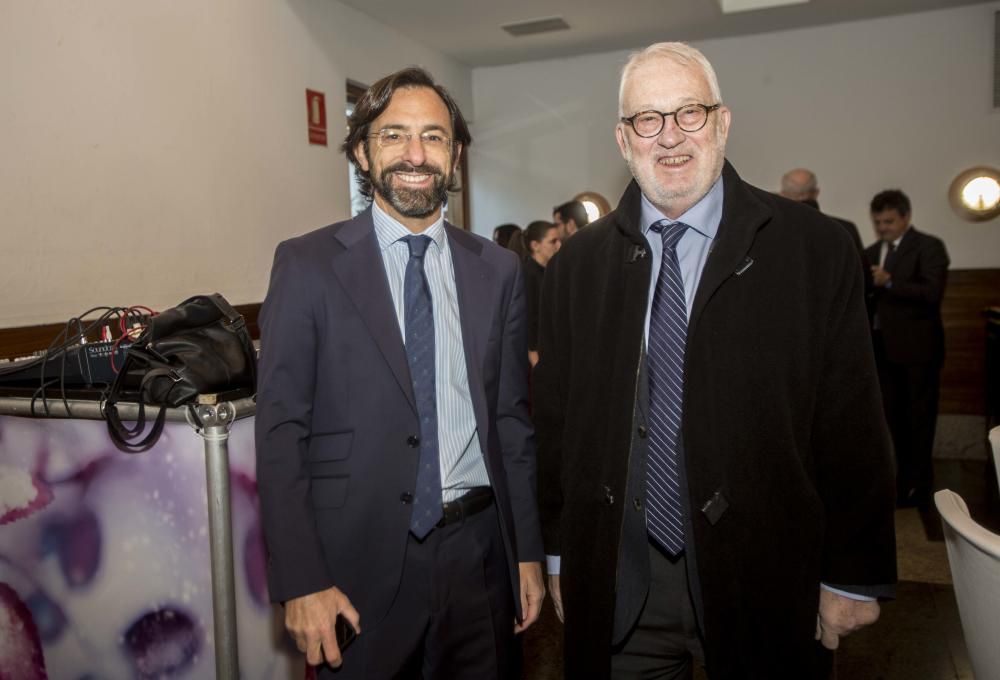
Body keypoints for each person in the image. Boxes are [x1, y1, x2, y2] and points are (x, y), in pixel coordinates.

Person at [533, 42, 896, 679]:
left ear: (722, 123)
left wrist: (855, 574)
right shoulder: (576, 268)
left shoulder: (813, 251)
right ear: (624, 140)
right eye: (648, 119)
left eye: (689, 113)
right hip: (621, 583)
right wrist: (562, 557)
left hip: (767, 578)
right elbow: (557, 425)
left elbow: (852, 421)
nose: (669, 136)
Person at [255, 67, 545, 680]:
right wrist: (302, 577)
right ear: (362, 150)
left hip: (480, 554)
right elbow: (281, 433)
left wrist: (526, 554)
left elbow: (510, 423)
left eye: (434, 137)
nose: (415, 155)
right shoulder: (307, 265)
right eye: (394, 136)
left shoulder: (499, 270)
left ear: (456, 153)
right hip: (354, 565)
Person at [865, 189, 949, 508]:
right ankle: (900, 484)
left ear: (906, 216)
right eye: (878, 222)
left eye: (888, 221)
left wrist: (888, 282)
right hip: (882, 352)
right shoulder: (872, 251)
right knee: (893, 421)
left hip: (918, 353)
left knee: (920, 420)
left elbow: (931, 292)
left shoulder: (928, 247)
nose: (883, 228)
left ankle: (922, 486)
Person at [780, 167, 872, 297]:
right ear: (816, 192)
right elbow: (863, 279)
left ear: (782, 194)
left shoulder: (775, 232)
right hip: (837, 308)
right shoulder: (845, 228)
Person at [521, 220, 561, 366]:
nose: (559, 246)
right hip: (536, 353)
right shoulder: (527, 274)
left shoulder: (550, 271)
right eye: (553, 241)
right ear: (535, 246)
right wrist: (533, 352)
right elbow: (529, 316)